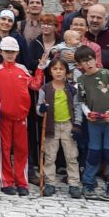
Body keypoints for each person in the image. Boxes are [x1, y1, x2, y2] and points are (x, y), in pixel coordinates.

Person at [76, 46, 109, 201]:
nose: (88, 63)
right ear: (79, 65)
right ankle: (88, 181)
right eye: (84, 61)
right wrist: (87, 113)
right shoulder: (81, 80)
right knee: (94, 151)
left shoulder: (106, 74)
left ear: (95, 59)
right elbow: (81, 102)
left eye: (90, 59)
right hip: (94, 121)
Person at [0, 37, 34, 196]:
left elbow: (34, 84)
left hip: (21, 117)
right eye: (7, 52)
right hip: (3, 117)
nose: (10, 55)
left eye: (13, 52)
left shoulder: (22, 69)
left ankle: (22, 182)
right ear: (0, 52)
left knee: (22, 150)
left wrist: (41, 69)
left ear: (17, 52)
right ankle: (6, 181)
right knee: (4, 149)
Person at [35, 57, 81, 198]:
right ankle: (50, 182)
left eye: (61, 69)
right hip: (51, 125)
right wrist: (41, 109)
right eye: (55, 69)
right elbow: (38, 108)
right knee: (49, 156)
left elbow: (77, 106)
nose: (58, 72)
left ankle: (74, 183)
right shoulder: (45, 89)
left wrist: (77, 123)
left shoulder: (71, 89)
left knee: (71, 155)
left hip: (68, 124)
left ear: (66, 72)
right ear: (50, 71)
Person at [85, 4, 109, 69]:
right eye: (92, 17)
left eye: (99, 18)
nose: (95, 20)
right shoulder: (81, 37)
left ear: (106, 20)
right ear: (87, 17)